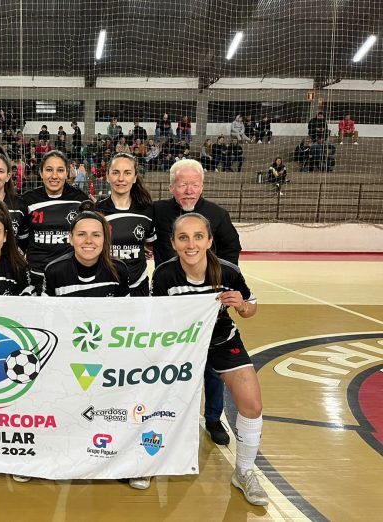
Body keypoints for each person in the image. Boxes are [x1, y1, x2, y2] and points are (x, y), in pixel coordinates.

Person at [151, 213, 268, 506]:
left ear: (209, 241)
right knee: (156, 402)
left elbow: (251, 307)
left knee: (252, 404)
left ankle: (244, 472)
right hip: (181, 346)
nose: (191, 244)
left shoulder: (227, 272)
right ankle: (148, 462)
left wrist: (241, 305)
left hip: (222, 341)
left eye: (198, 237)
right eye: (183, 238)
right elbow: (155, 318)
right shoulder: (164, 275)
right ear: (173, 243)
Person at [152, 159, 241, 448]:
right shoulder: (158, 212)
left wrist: (219, 280)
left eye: (194, 184)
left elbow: (232, 249)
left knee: (212, 366)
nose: (188, 190)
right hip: (169, 304)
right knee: (170, 363)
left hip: (207, 305)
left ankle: (213, 418)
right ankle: (171, 417)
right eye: (182, 185)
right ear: (171, 187)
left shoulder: (217, 215)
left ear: (202, 186)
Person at [22, 150, 90, 294]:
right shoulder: (28, 200)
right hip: (36, 276)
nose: (54, 176)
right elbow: (22, 240)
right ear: (41, 173)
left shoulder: (80, 199)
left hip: (70, 277)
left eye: (60, 170)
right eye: (49, 170)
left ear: (67, 173)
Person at [96, 153, 155, 296]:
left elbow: (149, 245)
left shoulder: (147, 210)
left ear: (134, 177)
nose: (121, 178)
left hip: (138, 288)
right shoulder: (97, 211)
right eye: (115, 172)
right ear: (108, 176)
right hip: (105, 287)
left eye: (127, 173)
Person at [43, 201, 128, 297]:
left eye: (96, 235)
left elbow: (124, 307)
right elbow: (46, 307)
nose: (88, 241)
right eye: (81, 234)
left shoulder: (119, 269)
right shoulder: (54, 271)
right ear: (71, 239)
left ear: (104, 239)